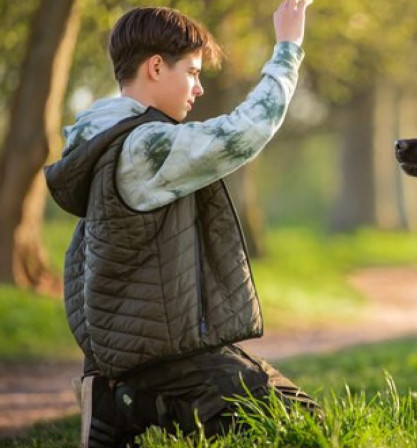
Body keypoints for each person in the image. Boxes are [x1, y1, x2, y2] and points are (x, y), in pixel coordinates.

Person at [44, 1, 317, 446]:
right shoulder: (142, 145)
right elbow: (242, 133)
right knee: (300, 429)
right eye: (192, 72)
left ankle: (122, 396)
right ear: (155, 67)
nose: (199, 88)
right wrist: (288, 47)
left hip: (150, 346)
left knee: (291, 415)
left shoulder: (103, 135)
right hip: (159, 357)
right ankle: (131, 401)